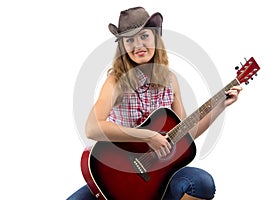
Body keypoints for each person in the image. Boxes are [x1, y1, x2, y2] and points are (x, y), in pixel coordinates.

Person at [68, 6, 242, 200]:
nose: (138, 45)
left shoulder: (170, 81)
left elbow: (186, 133)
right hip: (118, 176)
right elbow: (93, 128)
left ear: (155, 38)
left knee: (200, 183)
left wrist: (219, 106)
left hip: (159, 178)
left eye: (144, 36)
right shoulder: (116, 81)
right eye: (130, 40)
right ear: (122, 46)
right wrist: (147, 136)